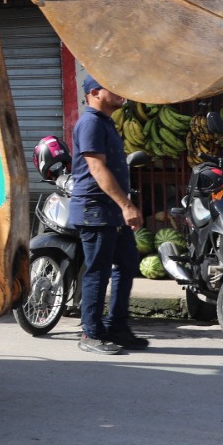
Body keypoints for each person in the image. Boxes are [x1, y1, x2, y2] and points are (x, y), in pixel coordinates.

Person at [69, 72, 148, 354]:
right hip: (95, 210)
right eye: (112, 87)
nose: (120, 92)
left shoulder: (105, 123)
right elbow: (97, 168)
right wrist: (126, 205)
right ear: (94, 93)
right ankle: (91, 333)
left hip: (110, 211)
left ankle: (117, 327)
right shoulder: (90, 122)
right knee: (98, 272)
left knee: (127, 266)